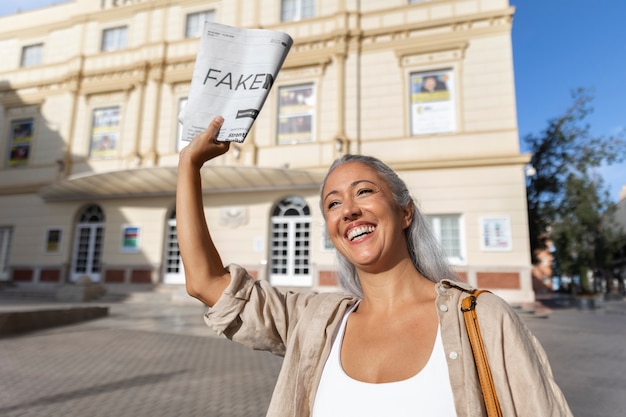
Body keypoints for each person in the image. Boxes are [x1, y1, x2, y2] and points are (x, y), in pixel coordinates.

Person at [176, 116, 573, 417]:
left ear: (405, 212)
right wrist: (189, 166)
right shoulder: (315, 322)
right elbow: (206, 282)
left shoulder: (483, 318)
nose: (348, 210)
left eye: (364, 192)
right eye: (332, 203)